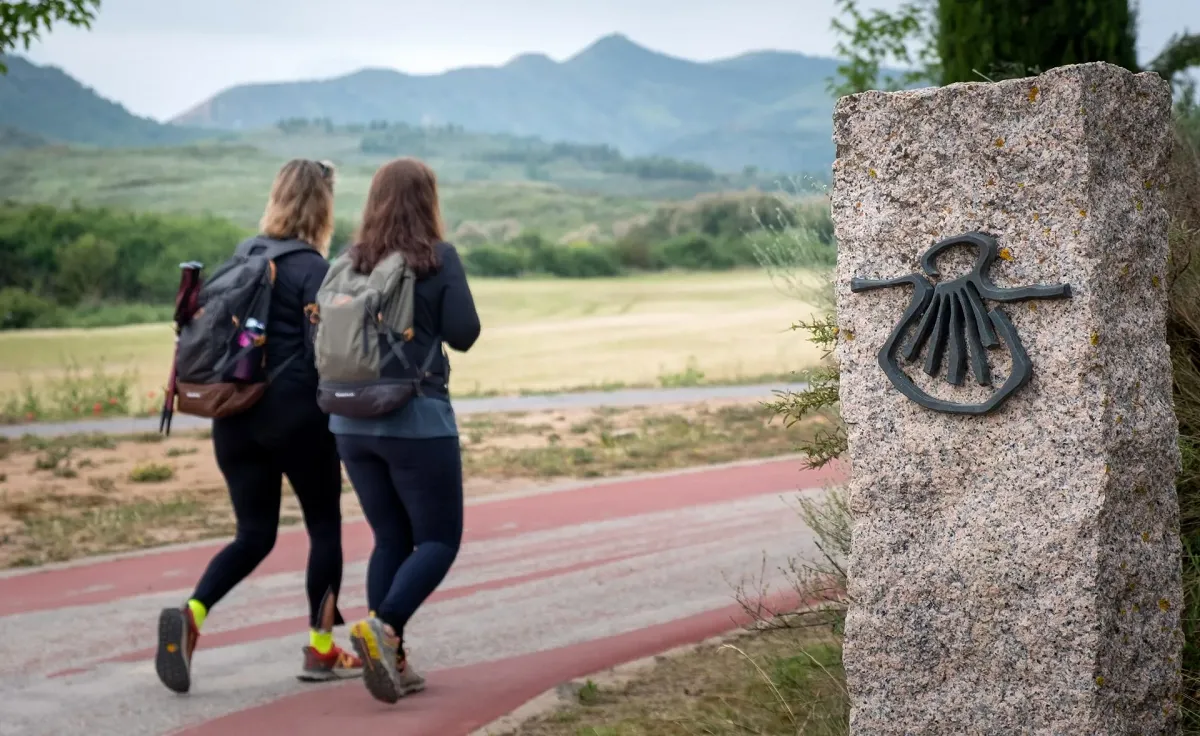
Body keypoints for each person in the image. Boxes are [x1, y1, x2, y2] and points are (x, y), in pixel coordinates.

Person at [155, 159, 362, 694]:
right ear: (323, 207)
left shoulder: (244, 255)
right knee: (324, 527)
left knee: (254, 534)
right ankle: (321, 649)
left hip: (233, 417)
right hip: (296, 420)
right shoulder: (313, 268)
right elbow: (331, 353)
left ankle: (194, 612)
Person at [332, 157, 480, 705]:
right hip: (414, 419)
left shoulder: (348, 261)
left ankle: (390, 659)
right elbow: (465, 334)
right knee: (439, 538)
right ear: (429, 200)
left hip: (348, 421)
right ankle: (385, 625)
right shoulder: (436, 259)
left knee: (390, 538)